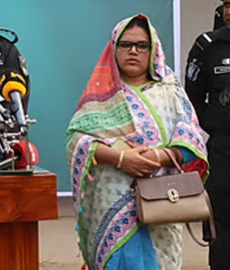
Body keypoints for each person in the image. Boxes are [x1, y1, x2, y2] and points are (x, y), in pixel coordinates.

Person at [68, 15, 208, 270]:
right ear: (114, 48)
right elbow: (77, 141)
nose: (133, 51)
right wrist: (122, 158)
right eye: (125, 44)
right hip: (113, 203)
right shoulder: (101, 94)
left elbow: (192, 139)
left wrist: (158, 157)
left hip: (164, 203)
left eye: (142, 45)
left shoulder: (170, 90)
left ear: (153, 49)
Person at [185, 0, 230, 267]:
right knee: (221, 223)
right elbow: (192, 97)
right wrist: (216, 123)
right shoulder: (207, 46)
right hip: (223, 150)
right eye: (227, 5)